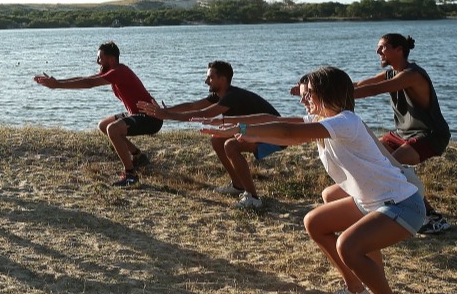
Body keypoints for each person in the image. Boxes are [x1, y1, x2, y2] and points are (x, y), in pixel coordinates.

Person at [201, 67, 422, 294]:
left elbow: (288, 133)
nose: (303, 99)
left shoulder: (345, 122)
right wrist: (234, 125)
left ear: (327, 94)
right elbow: (277, 121)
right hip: (373, 201)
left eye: (308, 94)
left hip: (401, 204)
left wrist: (248, 131)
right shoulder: (324, 121)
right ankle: (357, 292)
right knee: (315, 222)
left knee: (348, 246)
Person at [138, 61, 284, 208]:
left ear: (223, 79)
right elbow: (193, 106)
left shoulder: (232, 96)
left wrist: (166, 115)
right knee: (217, 140)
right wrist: (166, 110)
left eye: (210, 77)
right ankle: (238, 185)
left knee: (231, 145)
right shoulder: (220, 95)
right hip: (257, 132)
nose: (206, 81)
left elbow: (203, 114)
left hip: (276, 136)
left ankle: (253, 198)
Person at [354, 33, 452, 235]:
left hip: (430, 135)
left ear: (399, 50)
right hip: (403, 134)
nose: (378, 51)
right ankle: (384, 204)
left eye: (383, 47)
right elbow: (361, 84)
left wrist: (336, 98)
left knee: (392, 167)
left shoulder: (411, 75)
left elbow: (374, 90)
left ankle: (432, 216)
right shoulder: (392, 73)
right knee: (373, 152)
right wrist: (320, 89)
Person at [33, 41, 162, 186]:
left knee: (113, 129)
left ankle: (131, 175)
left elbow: (89, 83)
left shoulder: (120, 71)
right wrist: (57, 82)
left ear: (111, 59)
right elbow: (86, 79)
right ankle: (138, 156)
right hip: (137, 114)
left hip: (151, 117)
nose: (97, 61)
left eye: (100, 58)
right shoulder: (113, 71)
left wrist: (57, 85)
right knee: (104, 125)